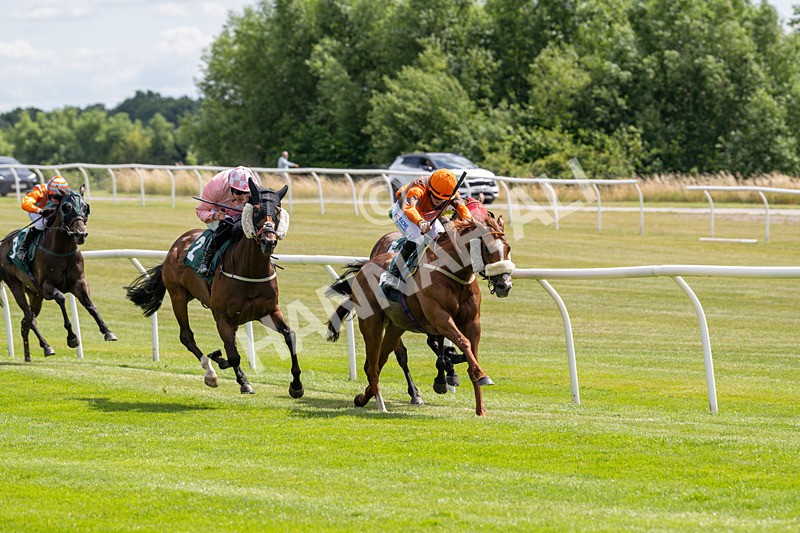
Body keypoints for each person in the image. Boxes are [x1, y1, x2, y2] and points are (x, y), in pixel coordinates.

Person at [384, 168, 472, 288]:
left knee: (442, 240)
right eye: (437, 198)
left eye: (444, 200)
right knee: (417, 238)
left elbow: (461, 206)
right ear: (430, 189)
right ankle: (392, 274)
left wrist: (468, 219)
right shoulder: (417, 189)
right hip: (404, 211)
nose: (439, 202)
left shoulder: (452, 192)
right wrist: (420, 222)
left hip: (427, 214)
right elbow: (409, 208)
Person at [195, 166, 254, 276]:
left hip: (240, 216)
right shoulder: (216, 187)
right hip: (219, 216)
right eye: (238, 192)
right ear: (230, 187)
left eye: (245, 192)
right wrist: (214, 216)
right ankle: (206, 261)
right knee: (227, 224)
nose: (242, 197)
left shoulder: (252, 185)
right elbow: (200, 210)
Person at [16, 175, 70, 261]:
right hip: (36, 210)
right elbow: (25, 203)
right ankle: (24, 247)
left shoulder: (67, 193)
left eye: (60, 197)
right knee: (42, 225)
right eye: (53, 196)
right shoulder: (40, 191)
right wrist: (39, 211)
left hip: (52, 211)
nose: (56, 200)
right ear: (48, 191)